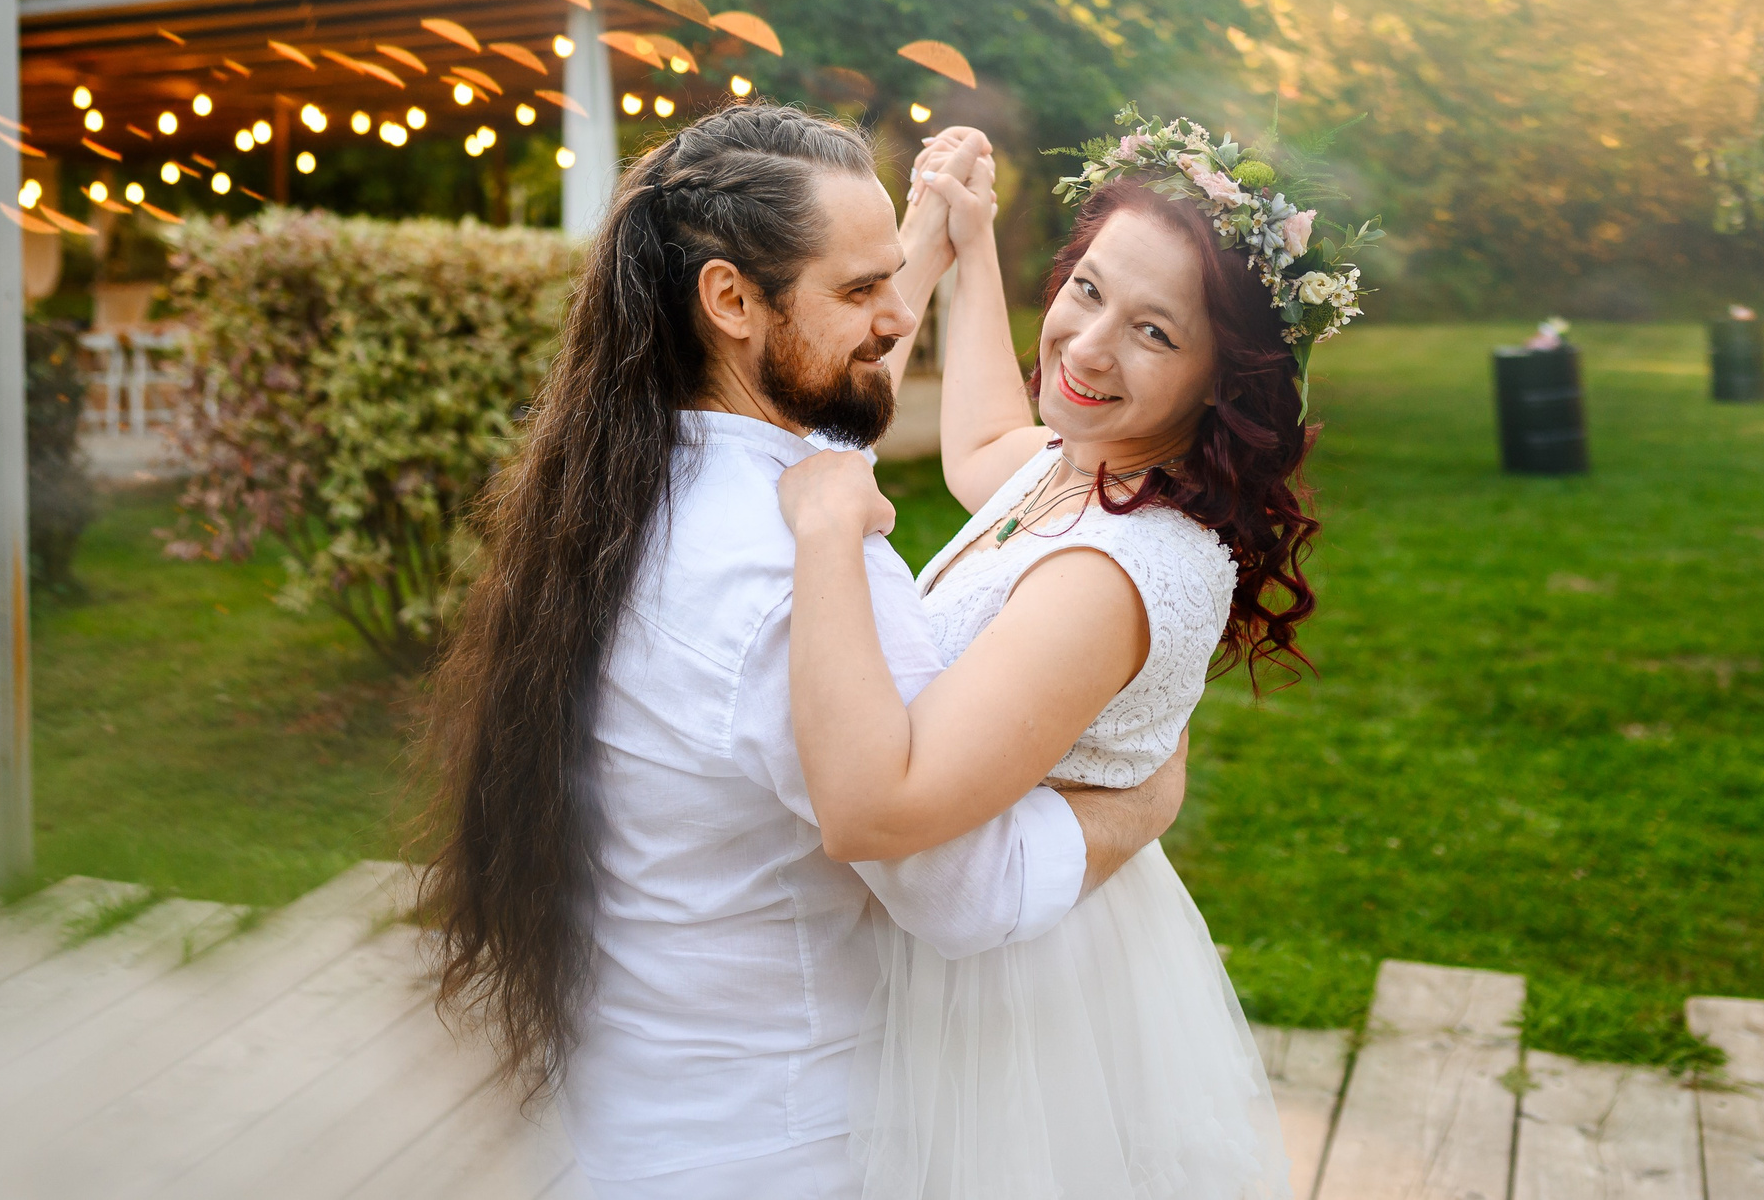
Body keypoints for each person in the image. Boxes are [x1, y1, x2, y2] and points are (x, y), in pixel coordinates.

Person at [424, 103, 1190, 1199]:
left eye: (895, 281)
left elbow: (829, 409)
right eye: (861, 288)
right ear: (732, 300)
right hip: (785, 1141)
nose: (896, 316)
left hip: (636, 1099)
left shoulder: (634, 471)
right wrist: (1144, 789)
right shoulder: (813, 573)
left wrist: (924, 239)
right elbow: (962, 888)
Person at [775, 110, 1368, 1199]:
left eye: (1155, 332)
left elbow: (878, 808)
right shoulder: (1076, 464)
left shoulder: (1112, 567)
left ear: (1222, 377)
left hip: (1008, 1012)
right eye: (1086, 289)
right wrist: (967, 242)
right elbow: (978, 443)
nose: (1088, 345)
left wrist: (826, 525)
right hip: (965, 955)